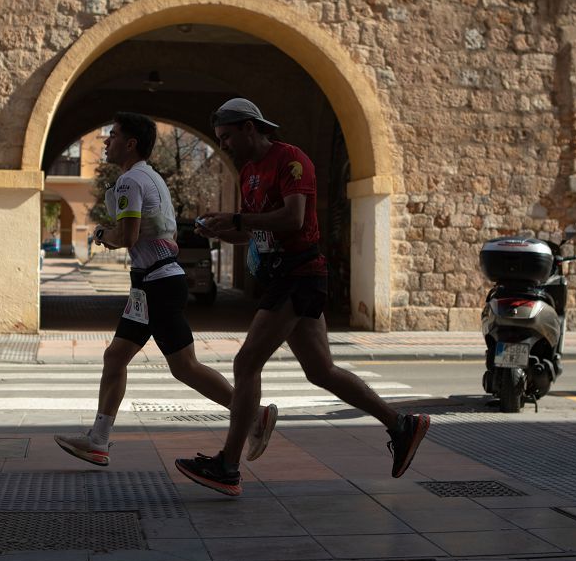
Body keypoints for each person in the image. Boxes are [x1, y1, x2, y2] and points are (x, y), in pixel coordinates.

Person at [175, 98, 430, 496]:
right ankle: (401, 424)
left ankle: (227, 466)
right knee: (321, 371)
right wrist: (226, 231)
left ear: (249, 127)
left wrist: (240, 220)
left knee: (246, 363)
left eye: (226, 137)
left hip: (299, 274)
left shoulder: (291, 161)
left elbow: (293, 218)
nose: (222, 145)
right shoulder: (248, 173)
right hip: (284, 276)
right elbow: (258, 229)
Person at [54, 112, 278, 467]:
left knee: (184, 367)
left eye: (112, 136)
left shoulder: (129, 182)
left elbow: (127, 237)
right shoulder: (152, 178)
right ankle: (98, 439)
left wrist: (100, 235)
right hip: (152, 284)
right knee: (116, 357)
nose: (106, 142)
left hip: (156, 285)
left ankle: (253, 415)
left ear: (130, 144)